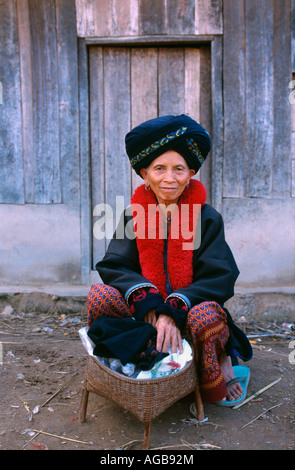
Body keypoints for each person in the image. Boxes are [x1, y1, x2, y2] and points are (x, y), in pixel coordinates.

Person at [87, 114, 252, 405]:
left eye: (179, 169)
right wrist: (148, 300)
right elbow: (114, 265)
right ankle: (131, 364)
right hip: (143, 310)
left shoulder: (207, 218)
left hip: (187, 312)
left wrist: (173, 309)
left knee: (206, 316)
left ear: (191, 173)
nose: (169, 178)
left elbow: (219, 275)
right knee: (100, 296)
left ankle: (217, 362)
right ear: (144, 173)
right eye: (159, 168)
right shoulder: (131, 216)